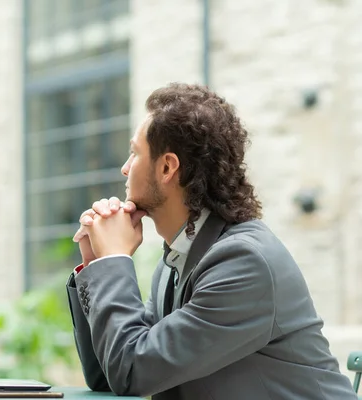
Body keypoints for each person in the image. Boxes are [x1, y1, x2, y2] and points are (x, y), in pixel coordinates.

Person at [65, 83, 358, 399]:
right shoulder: (176, 261)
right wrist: (96, 263)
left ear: (167, 167)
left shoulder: (244, 262)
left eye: (135, 153)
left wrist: (114, 261)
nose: (125, 168)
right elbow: (109, 374)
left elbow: (134, 371)